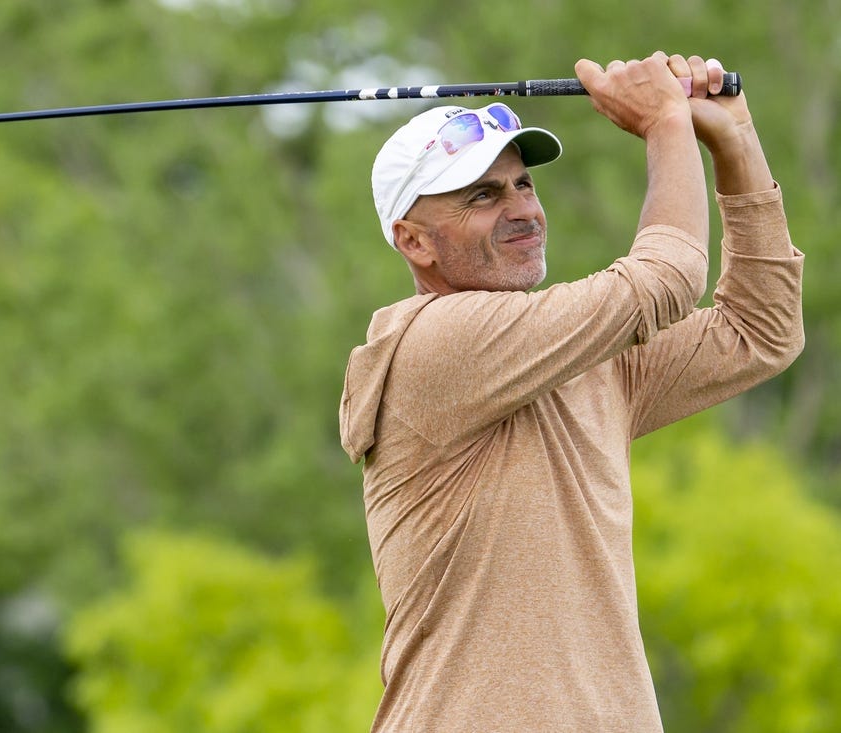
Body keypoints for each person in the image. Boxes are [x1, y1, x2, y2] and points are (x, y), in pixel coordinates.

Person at [338, 51, 804, 732]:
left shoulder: (579, 360)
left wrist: (733, 141)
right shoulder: (431, 344)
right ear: (414, 242)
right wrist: (668, 125)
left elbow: (760, 329)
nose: (522, 208)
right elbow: (668, 276)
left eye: (523, 185)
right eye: (483, 196)